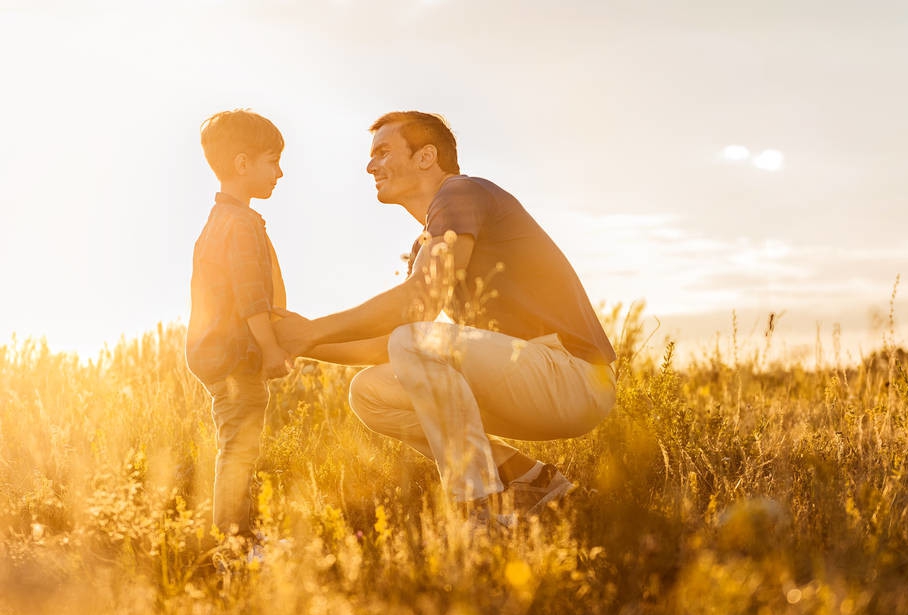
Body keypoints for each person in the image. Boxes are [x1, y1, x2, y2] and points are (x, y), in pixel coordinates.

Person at [276, 111, 616, 523]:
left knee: (413, 339)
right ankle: (536, 481)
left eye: (383, 152)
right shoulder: (427, 242)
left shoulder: (460, 192)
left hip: (574, 377)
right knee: (369, 391)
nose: (370, 166)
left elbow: (418, 304)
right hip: (526, 380)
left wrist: (311, 329)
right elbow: (393, 345)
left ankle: (479, 508)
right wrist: (299, 344)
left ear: (426, 157)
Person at [186, 109, 292, 539]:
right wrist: (271, 349)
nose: (280, 173)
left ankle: (236, 536)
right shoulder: (241, 223)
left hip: (218, 353)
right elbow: (251, 298)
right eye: (273, 162)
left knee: (236, 444)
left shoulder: (218, 221)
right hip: (236, 355)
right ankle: (234, 543)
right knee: (239, 449)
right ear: (243, 163)